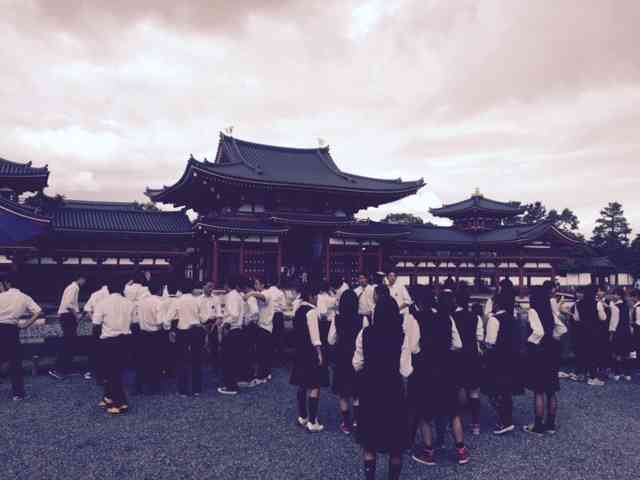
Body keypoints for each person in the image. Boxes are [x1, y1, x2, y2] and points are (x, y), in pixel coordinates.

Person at [354, 292, 413, 480]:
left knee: (369, 444)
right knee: (396, 447)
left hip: (370, 390)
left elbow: (357, 364)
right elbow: (405, 370)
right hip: (393, 391)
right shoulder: (401, 336)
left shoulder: (365, 333)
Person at [411, 289, 468, 467]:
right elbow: (457, 344)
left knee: (425, 413)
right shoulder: (447, 317)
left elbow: (413, 347)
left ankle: (429, 453)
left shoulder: (415, 319)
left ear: (419, 303)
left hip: (426, 369)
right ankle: (461, 451)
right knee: (453, 412)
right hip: (446, 367)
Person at [524, 286, 568, 435]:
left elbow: (538, 332)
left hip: (539, 352)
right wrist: (553, 338)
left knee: (539, 390)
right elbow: (562, 329)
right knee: (551, 389)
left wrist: (529, 342)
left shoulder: (533, 311)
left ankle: (538, 426)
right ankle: (551, 424)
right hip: (552, 351)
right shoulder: (549, 311)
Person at [483, 290, 524, 435]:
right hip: (512, 359)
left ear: (497, 304)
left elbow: (490, 342)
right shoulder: (513, 319)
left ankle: (504, 420)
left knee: (494, 392)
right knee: (506, 392)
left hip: (497, 360)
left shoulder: (494, 320)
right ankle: (507, 419)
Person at [93, 280, 136, 415]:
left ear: (108, 289)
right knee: (116, 370)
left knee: (111, 372)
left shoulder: (102, 303)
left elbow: (96, 323)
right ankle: (108, 397)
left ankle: (120, 402)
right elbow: (134, 321)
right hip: (125, 339)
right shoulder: (129, 303)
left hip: (109, 340)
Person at [290, 283, 328, 433]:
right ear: (311, 296)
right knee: (314, 385)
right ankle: (312, 422)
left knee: (302, 383)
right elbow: (315, 336)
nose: (317, 298)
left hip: (299, 350)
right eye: (316, 296)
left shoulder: (298, 310)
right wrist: (319, 353)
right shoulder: (311, 312)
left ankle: (303, 416)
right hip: (310, 351)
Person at [328, 289, 365, 435]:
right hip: (358, 357)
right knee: (357, 392)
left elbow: (331, 340)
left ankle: (346, 423)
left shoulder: (337, 319)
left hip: (342, 358)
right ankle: (357, 420)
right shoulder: (362, 319)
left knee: (343, 393)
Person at [0, 274, 43, 400]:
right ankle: (18, 394)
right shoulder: (24, 297)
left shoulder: (1, 296)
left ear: (7, 283)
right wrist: (25, 325)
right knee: (15, 362)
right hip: (12, 329)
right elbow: (38, 311)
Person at [452, 284, 484, 435]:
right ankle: (476, 424)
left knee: (458, 388)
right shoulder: (476, 317)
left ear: (456, 301)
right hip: (472, 355)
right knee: (474, 391)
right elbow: (480, 337)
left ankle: (457, 422)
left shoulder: (452, 316)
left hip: (457, 356)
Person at [166, 281, 208, 396]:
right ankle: (196, 389)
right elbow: (204, 318)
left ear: (180, 289)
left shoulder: (177, 301)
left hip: (183, 332)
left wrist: (170, 329)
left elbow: (168, 318)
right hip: (197, 330)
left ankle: (183, 390)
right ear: (192, 289)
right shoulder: (198, 300)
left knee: (182, 361)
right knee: (197, 360)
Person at [49, 276, 86, 379]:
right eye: (84, 280)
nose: (84, 283)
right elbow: (69, 305)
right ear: (80, 279)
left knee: (69, 343)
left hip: (66, 316)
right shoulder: (74, 287)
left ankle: (64, 369)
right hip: (68, 316)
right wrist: (77, 316)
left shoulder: (71, 287)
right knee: (68, 343)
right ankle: (57, 369)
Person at [572, 285, 607, 386]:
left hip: (582, 332)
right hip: (595, 332)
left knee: (583, 353)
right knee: (593, 354)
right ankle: (592, 377)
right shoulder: (597, 303)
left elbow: (576, 319)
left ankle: (582, 375)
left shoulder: (578, 304)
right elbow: (603, 318)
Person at [135, 284, 165, 394]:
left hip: (142, 333)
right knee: (155, 361)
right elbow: (160, 321)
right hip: (155, 334)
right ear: (159, 290)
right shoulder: (159, 302)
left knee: (141, 360)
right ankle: (153, 387)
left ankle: (138, 387)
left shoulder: (141, 302)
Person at [245, 276, 276, 384]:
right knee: (264, 352)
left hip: (265, 326)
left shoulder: (267, 293)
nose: (255, 286)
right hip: (263, 326)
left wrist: (251, 293)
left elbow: (263, 297)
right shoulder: (262, 293)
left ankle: (262, 376)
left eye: (257, 283)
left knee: (263, 353)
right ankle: (266, 374)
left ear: (263, 284)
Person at [218, 275, 245, 395]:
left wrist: (225, 325)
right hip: (237, 330)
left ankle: (231, 386)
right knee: (233, 359)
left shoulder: (231, 296)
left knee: (228, 360)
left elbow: (233, 315)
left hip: (232, 330)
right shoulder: (237, 296)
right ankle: (232, 384)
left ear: (227, 285)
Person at [83, 283, 110, 383]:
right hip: (108, 326)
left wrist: (93, 319)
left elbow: (87, 309)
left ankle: (90, 372)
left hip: (97, 325)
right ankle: (106, 373)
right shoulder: (112, 295)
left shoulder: (95, 294)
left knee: (95, 349)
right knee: (107, 350)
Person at [609, 287, 634, 382]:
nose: (613, 296)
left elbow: (613, 321)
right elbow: (629, 320)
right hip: (627, 331)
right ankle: (627, 374)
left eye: (615, 294)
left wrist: (611, 333)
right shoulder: (627, 306)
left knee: (617, 353)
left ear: (619, 296)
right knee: (626, 353)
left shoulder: (615, 307)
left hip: (618, 332)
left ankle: (617, 373)